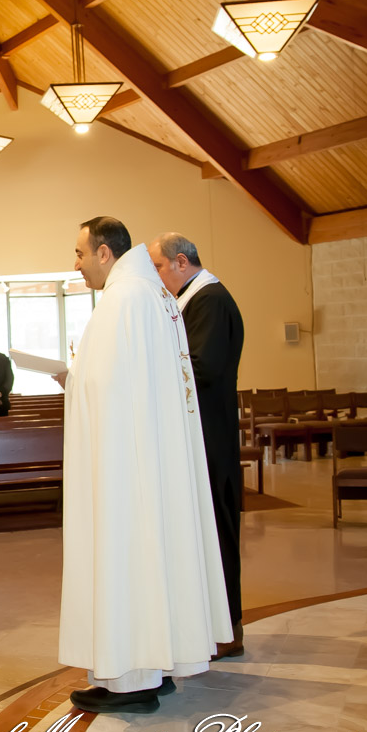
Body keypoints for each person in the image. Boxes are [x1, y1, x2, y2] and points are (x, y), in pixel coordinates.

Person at [59, 217, 231, 714]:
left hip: (123, 463)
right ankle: (153, 668)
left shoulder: (124, 300)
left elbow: (108, 388)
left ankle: (131, 678)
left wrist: (72, 380)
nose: (76, 263)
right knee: (153, 556)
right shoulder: (153, 296)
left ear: (105, 253)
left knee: (127, 558)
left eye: (79, 253)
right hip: (149, 456)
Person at [149, 232, 246, 659]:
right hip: (201, 435)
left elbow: (201, 368)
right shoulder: (196, 298)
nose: (157, 275)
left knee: (218, 533)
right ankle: (209, 626)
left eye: (159, 266)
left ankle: (228, 630)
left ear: (182, 262)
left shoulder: (209, 299)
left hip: (211, 437)